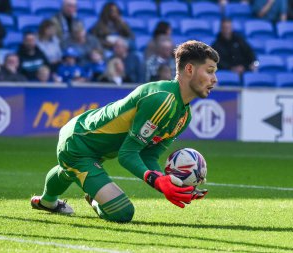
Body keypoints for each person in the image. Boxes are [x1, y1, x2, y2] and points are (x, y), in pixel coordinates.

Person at [30, 40, 217, 222]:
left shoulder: (184, 116)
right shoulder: (161, 99)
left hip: (92, 145)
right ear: (190, 69)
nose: (214, 79)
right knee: (123, 213)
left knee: (69, 170)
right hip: (78, 142)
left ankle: (48, 201)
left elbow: (149, 156)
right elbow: (127, 154)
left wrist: (166, 183)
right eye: (209, 71)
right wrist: (157, 181)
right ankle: (89, 192)